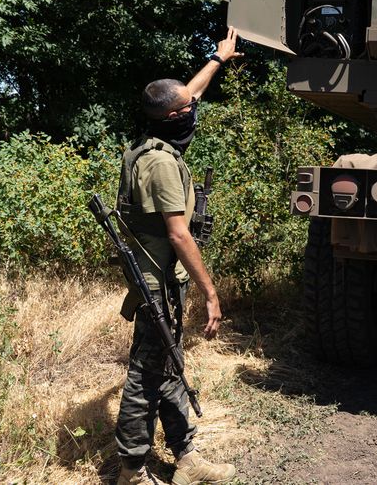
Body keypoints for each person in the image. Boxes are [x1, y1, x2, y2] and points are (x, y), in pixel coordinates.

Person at [114, 27, 243, 485]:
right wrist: (211, 292)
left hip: (162, 281)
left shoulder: (153, 141)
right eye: (187, 108)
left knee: (169, 363)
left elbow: (189, 93)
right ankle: (131, 468)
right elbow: (179, 234)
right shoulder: (162, 164)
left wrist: (219, 58)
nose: (194, 109)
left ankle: (185, 458)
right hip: (156, 282)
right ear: (172, 117)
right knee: (145, 375)